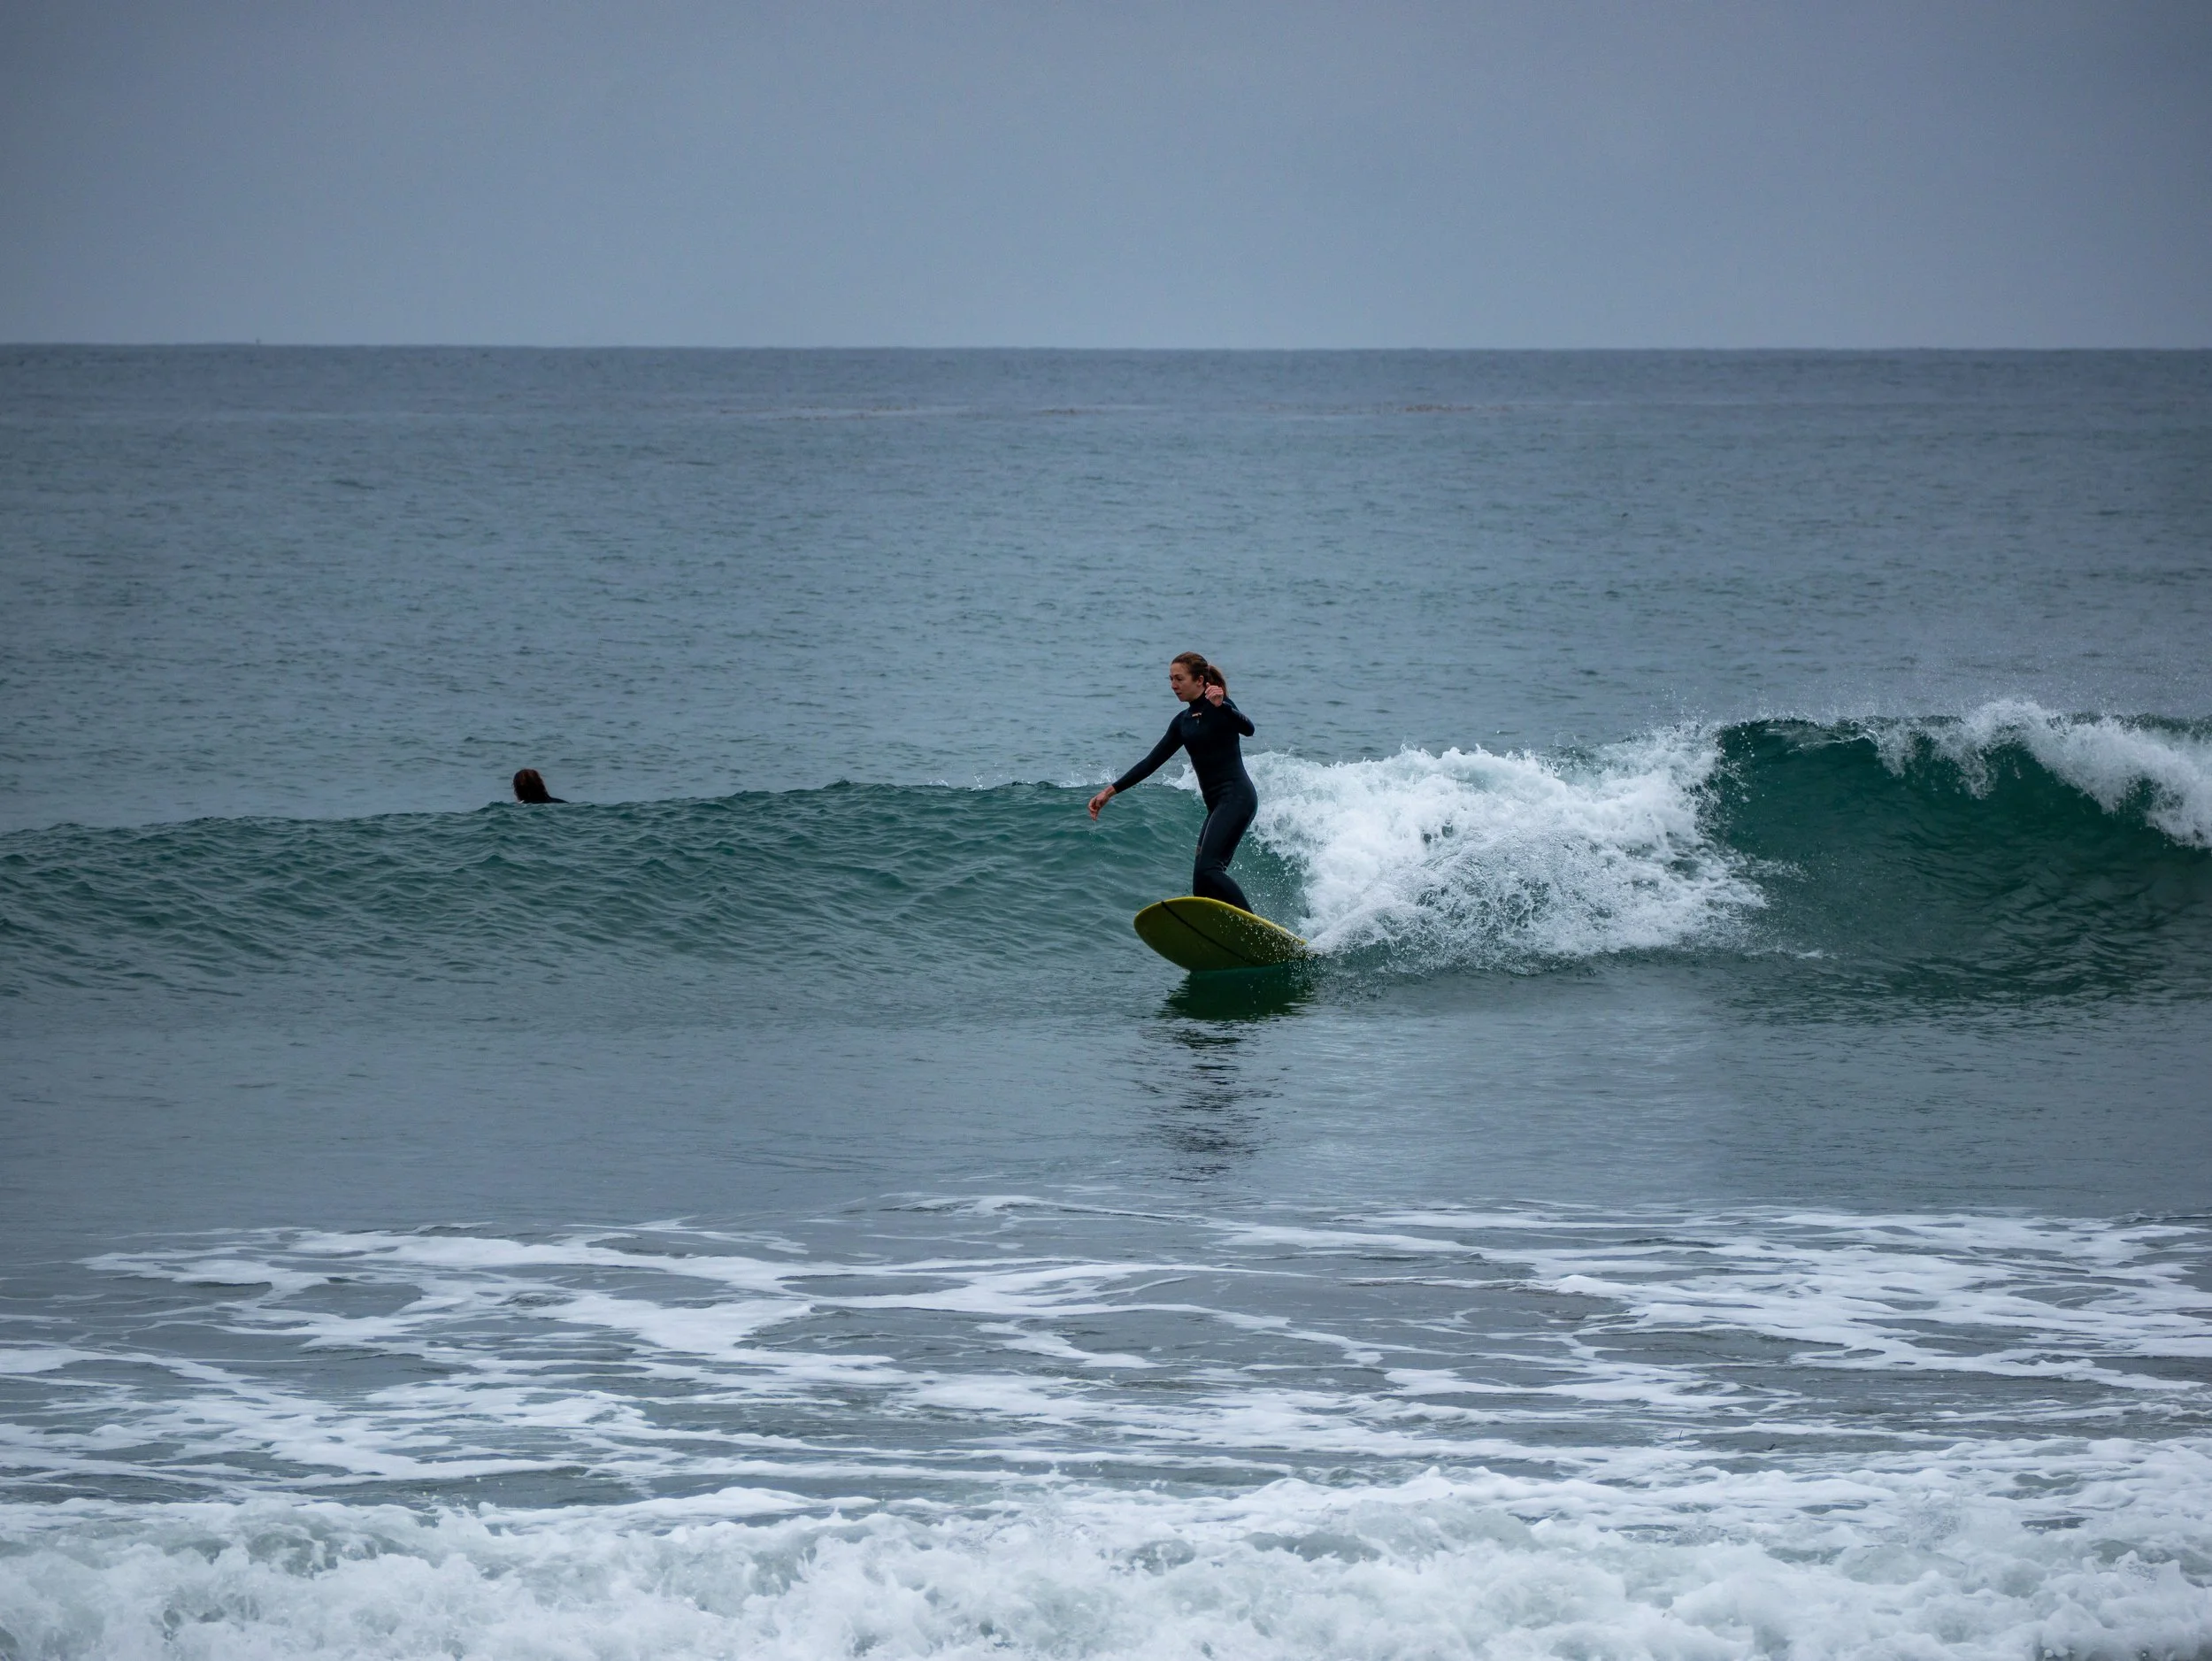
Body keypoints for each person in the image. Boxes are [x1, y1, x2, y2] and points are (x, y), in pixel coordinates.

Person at [1089, 652, 1259, 913]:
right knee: (1201, 883)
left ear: (1200, 680)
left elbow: (1249, 729)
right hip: (1217, 805)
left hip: (1237, 798)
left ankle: (1252, 926)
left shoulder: (1220, 707)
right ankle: (1224, 932)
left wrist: (1223, 706)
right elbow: (1151, 762)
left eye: (1179, 678)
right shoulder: (1182, 723)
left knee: (1210, 870)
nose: (1173, 685)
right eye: (1170, 679)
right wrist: (1110, 792)